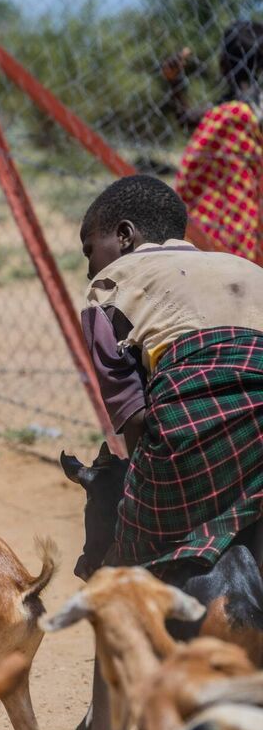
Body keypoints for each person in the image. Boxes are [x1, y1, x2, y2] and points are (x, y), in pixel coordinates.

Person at [79, 174, 263, 576]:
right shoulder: (247, 267)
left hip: (191, 421)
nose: (89, 266)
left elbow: (139, 422)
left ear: (124, 235)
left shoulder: (109, 286)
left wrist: (135, 500)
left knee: (133, 556)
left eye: (89, 250)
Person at [167, 21, 263, 262]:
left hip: (210, 233)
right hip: (252, 229)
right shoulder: (243, 110)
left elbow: (185, 118)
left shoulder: (221, 113)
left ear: (223, 63)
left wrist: (175, 81)